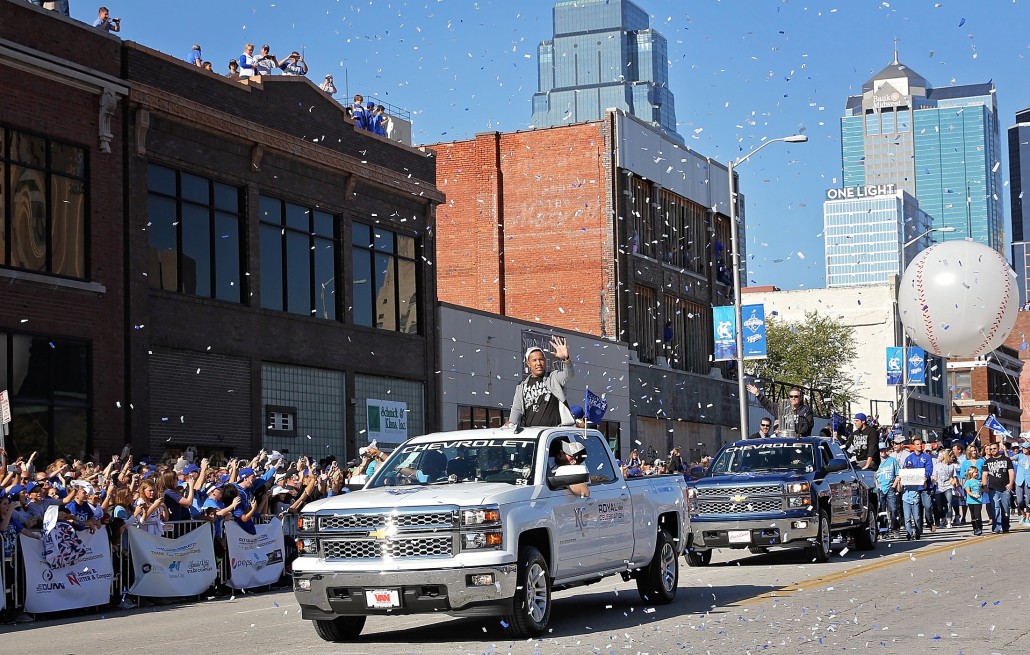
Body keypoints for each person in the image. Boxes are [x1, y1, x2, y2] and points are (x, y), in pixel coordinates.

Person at [507, 336, 575, 428]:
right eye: (534, 360)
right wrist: (511, 424)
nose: (538, 363)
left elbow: (569, 376)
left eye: (541, 359)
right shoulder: (522, 386)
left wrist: (566, 359)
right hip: (532, 434)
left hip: (553, 434)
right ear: (528, 364)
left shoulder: (553, 377)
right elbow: (517, 410)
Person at [746, 384, 813, 437]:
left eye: (796, 396)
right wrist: (758, 394)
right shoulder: (783, 409)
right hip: (785, 442)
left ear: (800, 398)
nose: (793, 398)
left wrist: (799, 435)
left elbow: (808, 424)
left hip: (801, 442)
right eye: (791, 396)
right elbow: (768, 404)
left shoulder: (806, 410)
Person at [981, 442, 1014, 534]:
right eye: (991, 449)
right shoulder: (987, 462)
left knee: (1005, 508)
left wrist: (1011, 483)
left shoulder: (1006, 460)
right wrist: (984, 486)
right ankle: (996, 527)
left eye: (994, 448)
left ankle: (1005, 526)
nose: (992, 451)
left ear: (999, 448)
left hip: (1005, 488)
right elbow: (984, 475)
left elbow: (1011, 472)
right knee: (995, 508)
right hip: (993, 489)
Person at [904, 437, 935, 532]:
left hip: (925, 485)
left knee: (927, 506)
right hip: (914, 487)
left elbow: (929, 470)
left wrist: (925, 476)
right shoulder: (909, 458)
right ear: (913, 446)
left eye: (920, 444)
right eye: (917, 444)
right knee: (918, 509)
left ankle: (930, 521)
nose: (919, 445)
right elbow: (907, 471)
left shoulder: (927, 457)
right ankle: (919, 528)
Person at [874, 443, 900, 536]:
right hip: (880, 489)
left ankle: (895, 529)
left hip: (890, 488)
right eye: (880, 450)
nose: (882, 452)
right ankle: (884, 530)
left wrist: (894, 486)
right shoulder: (876, 463)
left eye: (884, 450)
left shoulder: (892, 461)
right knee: (882, 512)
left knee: (893, 509)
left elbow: (898, 474)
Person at [931, 449, 959, 528]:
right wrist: (933, 481)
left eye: (941, 455)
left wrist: (955, 483)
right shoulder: (936, 466)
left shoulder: (951, 466)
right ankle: (942, 518)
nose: (939, 457)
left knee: (949, 503)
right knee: (939, 506)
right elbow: (934, 476)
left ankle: (949, 520)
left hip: (948, 486)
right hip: (939, 487)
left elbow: (954, 476)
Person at [962, 465, 985, 536]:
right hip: (971, 501)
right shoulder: (968, 482)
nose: (977, 474)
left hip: (978, 501)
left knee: (978, 514)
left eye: (977, 472)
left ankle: (979, 528)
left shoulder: (979, 482)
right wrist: (974, 495)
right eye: (975, 472)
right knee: (973, 515)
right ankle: (974, 528)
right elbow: (968, 491)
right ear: (971, 473)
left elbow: (982, 489)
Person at [1015, 442, 1030, 526]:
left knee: (1028, 500)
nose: (1024, 449)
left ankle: (1028, 518)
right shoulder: (1020, 456)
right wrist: (1005, 450)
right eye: (1023, 448)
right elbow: (1009, 459)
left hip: (1028, 481)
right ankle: (1023, 515)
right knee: (1019, 500)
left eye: (1026, 448)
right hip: (1019, 480)